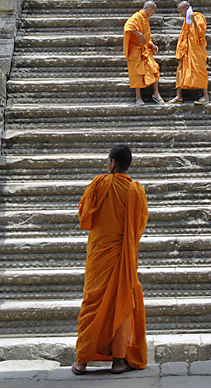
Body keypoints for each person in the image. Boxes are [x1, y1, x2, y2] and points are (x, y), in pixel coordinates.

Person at [72, 144, 149, 376]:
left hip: (99, 258)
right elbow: (139, 223)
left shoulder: (98, 184)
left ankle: (82, 361)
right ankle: (118, 361)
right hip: (121, 258)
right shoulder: (135, 191)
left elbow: (84, 217)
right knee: (122, 304)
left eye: (108, 161)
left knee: (91, 305)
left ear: (113, 163)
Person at [123, 1, 165, 105]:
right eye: (153, 12)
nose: (152, 15)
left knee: (154, 69)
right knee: (136, 74)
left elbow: (146, 38)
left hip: (145, 50)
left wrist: (152, 45)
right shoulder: (137, 16)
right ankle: (138, 97)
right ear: (149, 9)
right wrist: (138, 34)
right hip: (135, 51)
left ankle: (156, 94)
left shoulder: (145, 19)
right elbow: (128, 27)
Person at [168, 1, 209, 105]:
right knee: (180, 71)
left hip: (197, 50)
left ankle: (206, 96)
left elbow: (200, 33)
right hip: (187, 51)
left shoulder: (198, 16)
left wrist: (193, 20)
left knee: (200, 70)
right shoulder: (186, 20)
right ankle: (179, 96)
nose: (180, 13)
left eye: (181, 11)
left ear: (186, 8)